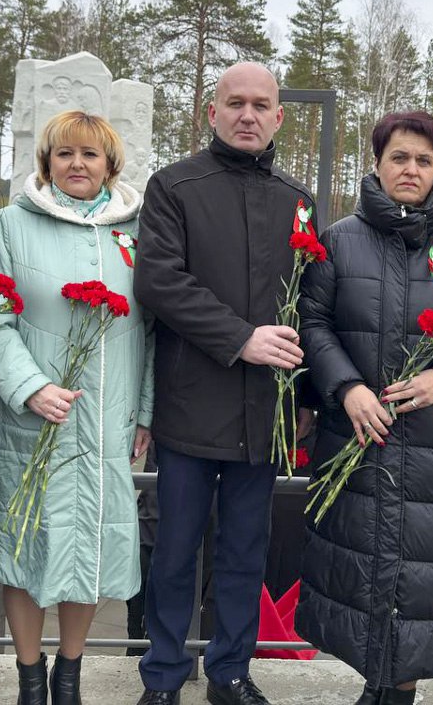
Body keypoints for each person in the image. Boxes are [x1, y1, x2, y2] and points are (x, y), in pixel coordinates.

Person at [294, 111, 433, 705]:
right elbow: (312, 322)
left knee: (422, 578)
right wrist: (345, 386)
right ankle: (378, 683)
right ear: (377, 163)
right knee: (362, 565)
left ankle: (396, 691)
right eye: (399, 157)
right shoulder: (339, 239)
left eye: (424, 160)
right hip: (357, 435)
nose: (411, 169)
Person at [133, 62, 316, 705]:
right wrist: (242, 338)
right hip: (191, 406)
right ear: (211, 112)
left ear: (278, 116)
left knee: (245, 551)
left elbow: (307, 304)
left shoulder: (298, 201)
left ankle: (231, 673)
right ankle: (162, 675)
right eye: (235, 103)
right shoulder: (175, 186)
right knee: (176, 552)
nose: (248, 115)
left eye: (260, 105)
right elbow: (158, 281)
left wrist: (307, 399)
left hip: (263, 412)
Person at [0, 110, 154, 705]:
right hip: (32, 418)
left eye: (90, 155)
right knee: (26, 547)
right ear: (46, 162)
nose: (77, 164)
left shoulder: (134, 232)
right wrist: (29, 386)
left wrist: (145, 411)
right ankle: (30, 676)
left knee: (91, 547)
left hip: (108, 418)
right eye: (64, 154)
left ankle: (69, 673)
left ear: (110, 164)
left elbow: (153, 331)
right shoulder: (12, 224)